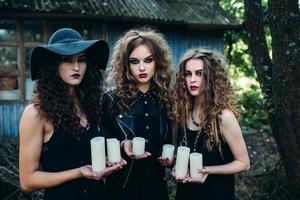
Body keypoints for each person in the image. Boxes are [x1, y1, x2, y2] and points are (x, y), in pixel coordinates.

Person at [19, 28, 125, 200]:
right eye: (67, 60)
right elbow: (28, 181)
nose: (76, 67)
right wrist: (79, 172)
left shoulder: (91, 106)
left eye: (81, 60)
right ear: (53, 65)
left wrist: (114, 155)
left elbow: (84, 154)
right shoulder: (35, 114)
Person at [102, 28, 174, 200]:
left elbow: (173, 141)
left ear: (158, 62)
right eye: (134, 61)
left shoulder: (167, 100)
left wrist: (172, 158)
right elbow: (99, 140)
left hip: (156, 186)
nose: (142, 67)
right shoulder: (110, 100)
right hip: (122, 187)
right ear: (126, 65)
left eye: (148, 60)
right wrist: (121, 145)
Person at [173, 49, 250, 200]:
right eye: (188, 74)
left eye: (199, 73)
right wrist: (176, 164)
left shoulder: (223, 117)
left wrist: (208, 170)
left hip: (216, 192)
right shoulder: (183, 112)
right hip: (186, 193)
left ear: (211, 77)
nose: (192, 80)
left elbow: (244, 163)